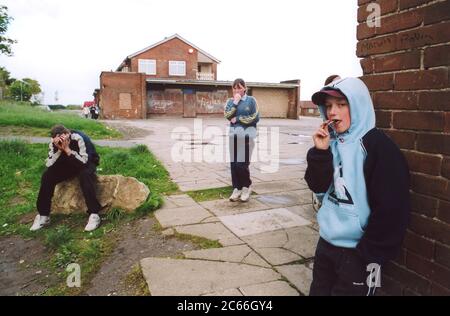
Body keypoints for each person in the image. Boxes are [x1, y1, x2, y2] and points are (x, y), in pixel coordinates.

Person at [305, 77, 410, 296]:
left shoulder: (379, 147)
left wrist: (369, 254)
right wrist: (320, 153)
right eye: (329, 106)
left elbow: (392, 209)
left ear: (358, 105)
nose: (332, 112)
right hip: (326, 244)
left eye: (342, 104)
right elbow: (316, 185)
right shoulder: (330, 143)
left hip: (360, 253)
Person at [31, 125, 102, 232]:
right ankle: (44, 215)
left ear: (68, 134)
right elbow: (49, 164)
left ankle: (94, 214)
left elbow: (84, 162)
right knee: (47, 176)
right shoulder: (53, 143)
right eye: (58, 138)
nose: (62, 140)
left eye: (64, 137)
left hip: (87, 161)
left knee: (84, 175)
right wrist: (59, 149)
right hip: (68, 163)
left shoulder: (78, 138)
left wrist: (68, 149)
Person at [224, 78, 260, 202]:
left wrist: (238, 118)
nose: (236, 90)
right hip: (233, 137)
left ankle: (246, 187)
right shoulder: (230, 101)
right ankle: (237, 188)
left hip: (247, 137)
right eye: (234, 88)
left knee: (242, 164)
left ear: (245, 88)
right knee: (234, 165)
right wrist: (235, 102)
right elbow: (228, 116)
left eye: (239, 87)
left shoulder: (251, 101)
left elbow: (255, 118)